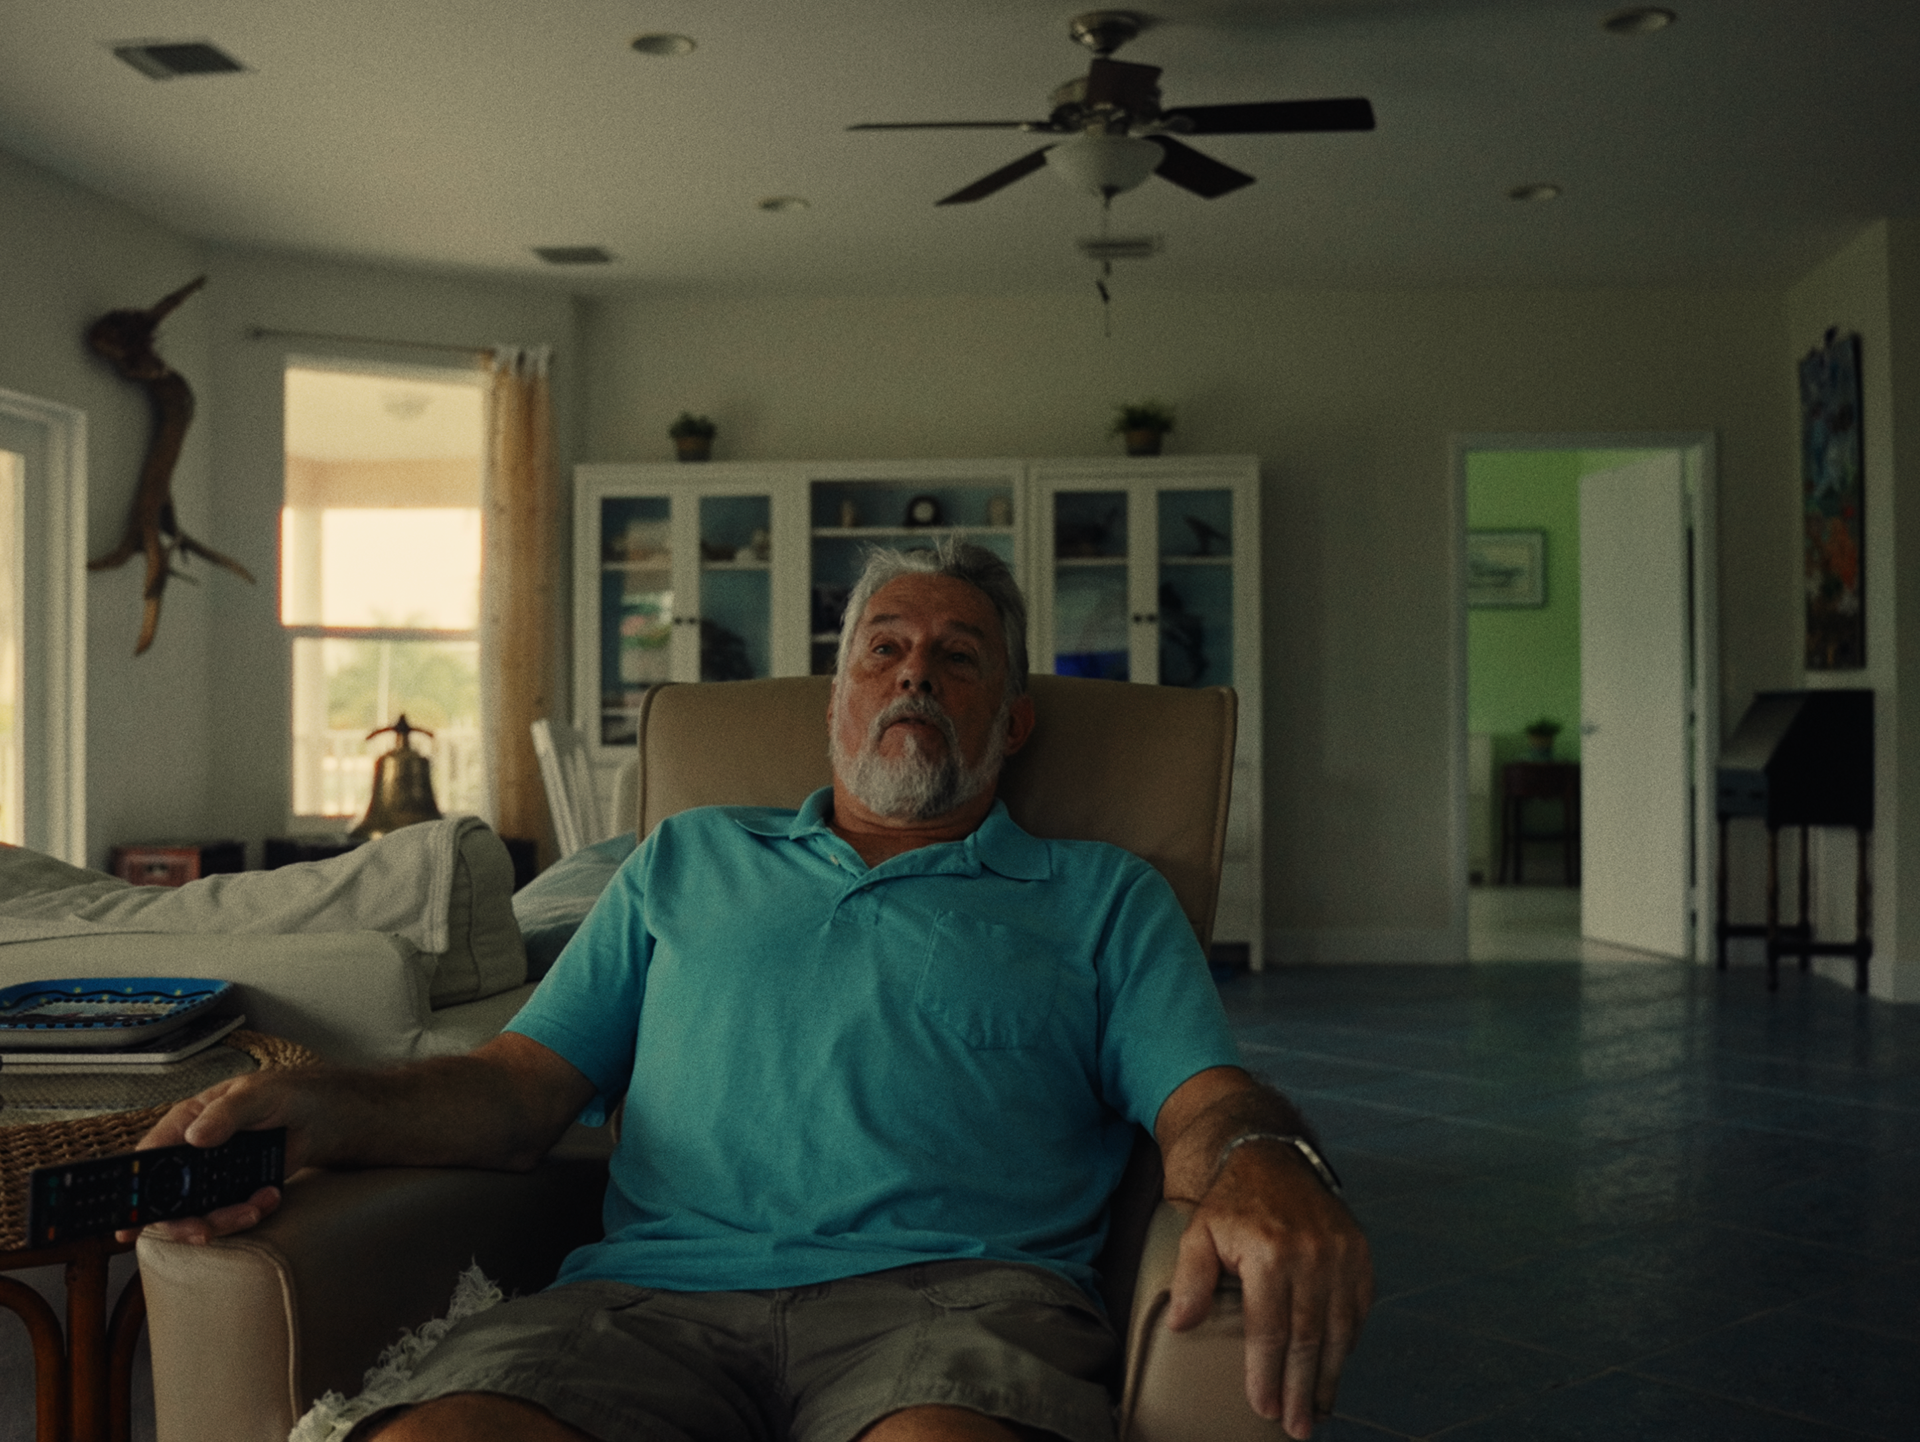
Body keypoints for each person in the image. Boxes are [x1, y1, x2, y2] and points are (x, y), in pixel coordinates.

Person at [131, 540, 1372, 1442]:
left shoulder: (1102, 894)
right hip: (646, 1302)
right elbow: (514, 1093)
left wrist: (1268, 1156)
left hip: (957, 1305)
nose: (915, 675)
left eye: (958, 657)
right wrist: (328, 1105)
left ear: (1014, 721)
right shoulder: (684, 857)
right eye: (884, 649)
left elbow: (1204, 1102)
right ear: (837, 703)